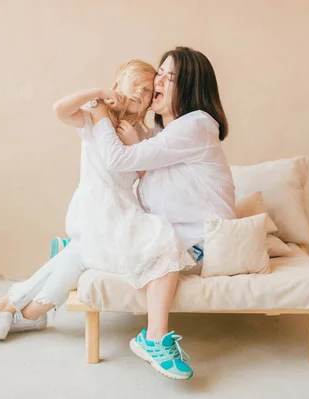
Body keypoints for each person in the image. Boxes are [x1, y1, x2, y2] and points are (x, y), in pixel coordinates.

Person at [89, 46, 236, 380]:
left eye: (171, 77)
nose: (158, 80)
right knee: (130, 225)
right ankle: (23, 299)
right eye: (160, 72)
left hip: (202, 243)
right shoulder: (166, 135)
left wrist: (99, 114)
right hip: (187, 237)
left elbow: (120, 161)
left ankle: (153, 337)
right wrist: (138, 134)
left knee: (158, 241)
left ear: (190, 88)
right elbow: (145, 178)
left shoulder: (196, 125)